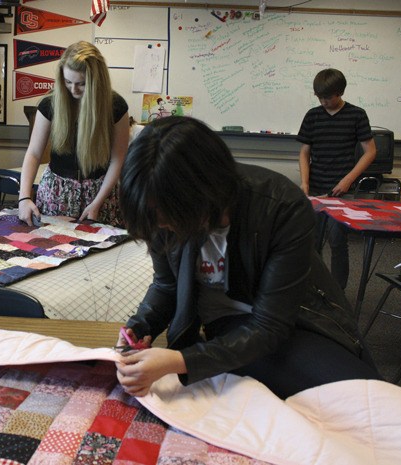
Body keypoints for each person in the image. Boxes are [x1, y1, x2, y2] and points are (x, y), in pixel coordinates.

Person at [114, 116, 380, 399]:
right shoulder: (160, 205)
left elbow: (270, 326)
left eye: (168, 220)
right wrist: (139, 326)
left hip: (292, 324)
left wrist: (181, 362)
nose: (163, 228)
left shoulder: (281, 207)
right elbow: (166, 285)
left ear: (200, 194)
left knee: (362, 398)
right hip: (225, 328)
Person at [18, 41, 129, 227]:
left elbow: (118, 158)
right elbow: (34, 153)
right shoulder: (49, 104)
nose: (73, 90)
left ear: (96, 82)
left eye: (82, 84)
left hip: (99, 193)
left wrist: (97, 203)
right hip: (57, 192)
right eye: (68, 82)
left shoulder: (115, 106)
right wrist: (24, 198)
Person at [297, 68, 376, 289]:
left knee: (337, 241)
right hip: (314, 188)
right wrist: (304, 182)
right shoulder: (313, 116)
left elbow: (370, 151)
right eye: (319, 97)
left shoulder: (356, 114)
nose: (323, 101)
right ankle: (312, 289)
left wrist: (347, 180)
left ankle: (337, 293)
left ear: (339, 93)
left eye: (327, 97)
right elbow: (304, 152)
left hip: (342, 190)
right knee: (311, 242)